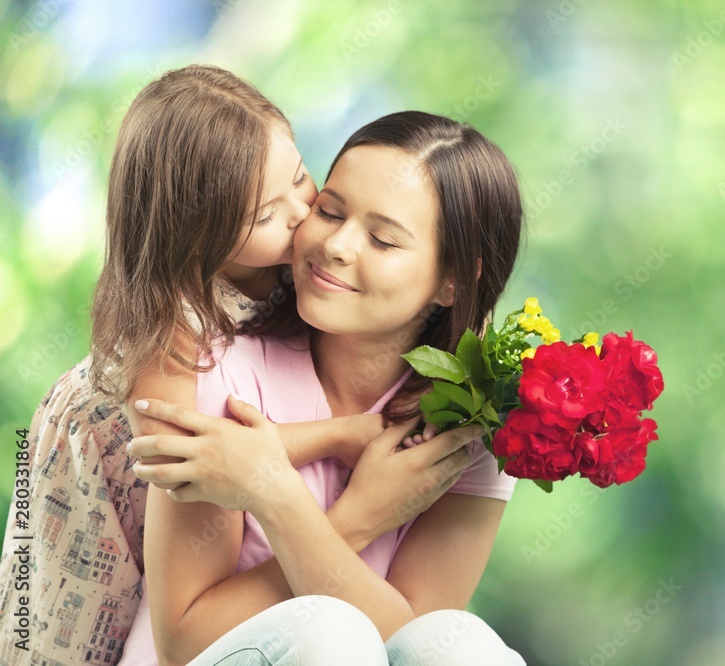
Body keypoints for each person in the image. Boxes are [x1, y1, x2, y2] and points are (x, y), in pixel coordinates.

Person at [0, 67, 458, 664]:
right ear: (198, 237)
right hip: (84, 526)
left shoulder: (290, 277)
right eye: (267, 215)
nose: (301, 216)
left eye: (300, 180)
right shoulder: (172, 325)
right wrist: (341, 436)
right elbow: (190, 456)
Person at [122, 111, 526, 664]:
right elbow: (182, 640)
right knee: (327, 632)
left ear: (453, 280)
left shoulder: (465, 432)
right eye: (329, 210)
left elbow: (414, 645)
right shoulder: (216, 367)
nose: (336, 245)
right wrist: (355, 516)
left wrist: (275, 494)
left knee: (468, 648)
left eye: (382, 240)